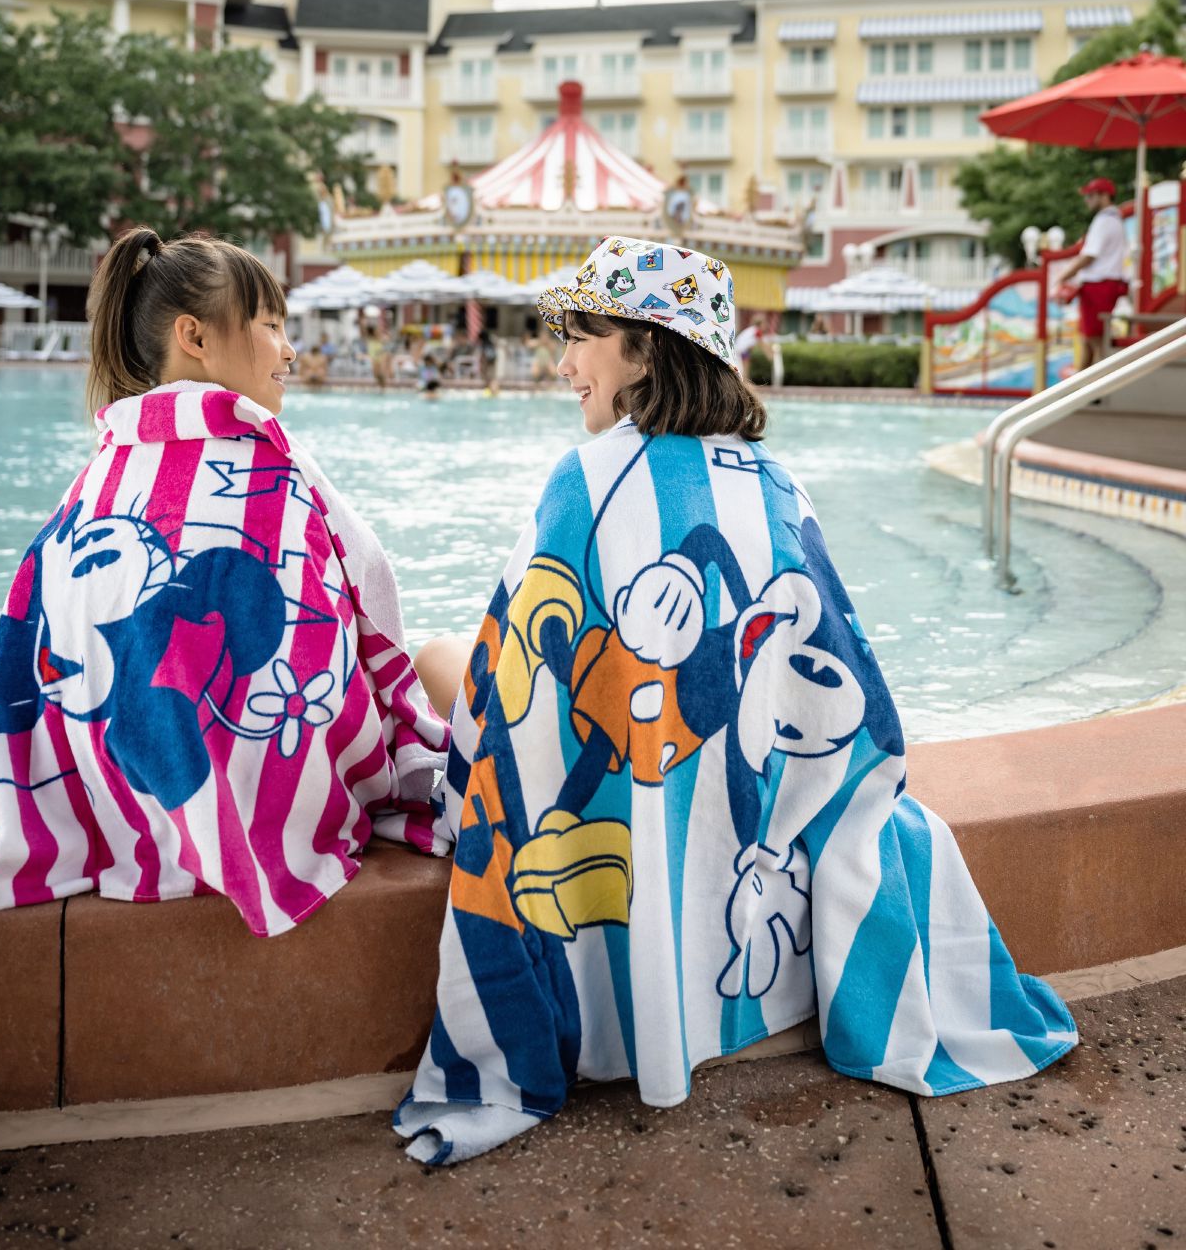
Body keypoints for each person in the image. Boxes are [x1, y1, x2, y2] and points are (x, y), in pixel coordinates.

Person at [394, 236, 1077, 1165]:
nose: (564, 363)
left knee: (430, 652)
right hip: (742, 834)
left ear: (642, 349)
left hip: (617, 804)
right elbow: (853, 692)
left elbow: (507, 698)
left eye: (582, 337)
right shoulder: (778, 483)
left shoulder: (586, 477)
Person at [0, 228, 462, 936]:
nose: (289, 349)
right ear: (195, 337)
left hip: (110, 808)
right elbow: (369, 609)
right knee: (444, 656)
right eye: (271, 325)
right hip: (279, 805)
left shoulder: (95, 484)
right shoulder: (271, 463)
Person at [1055, 178, 1129, 367]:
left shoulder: (1104, 221)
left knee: (1095, 339)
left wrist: (1064, 275)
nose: (1087, 200)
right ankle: (1083, 386)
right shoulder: (1115, 220)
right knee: (1090, 339)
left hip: (1098, 286)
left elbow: (1089, 255)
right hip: (1106, 284)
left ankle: (1103, 387)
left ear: (1104, 196)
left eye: (1090, 195)